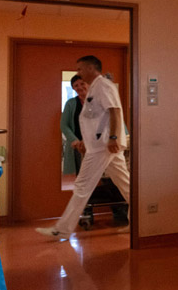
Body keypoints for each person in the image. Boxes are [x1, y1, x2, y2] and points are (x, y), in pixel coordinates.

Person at [37, 55, 131, 239]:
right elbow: (96, 120)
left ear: (90, 68)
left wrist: (113, 137)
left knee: (82, 186)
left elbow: (115, 111)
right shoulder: (94, 88)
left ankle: (62, 229)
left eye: (80, 69)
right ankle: (141, 220)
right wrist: (84, 142)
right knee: (125, 183)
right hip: (100, 145)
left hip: (103, 146)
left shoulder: (103, 85)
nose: (78, 72)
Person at [62, 74, 128, 227]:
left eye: (82, 84)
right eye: (76, 86)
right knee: (85, 182)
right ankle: (86, 213)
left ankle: (120, 211)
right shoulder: (72, 104)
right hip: (83, 148)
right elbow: (64, 125)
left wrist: (121, 138)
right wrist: (75, 141)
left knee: (113, 180)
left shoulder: (99, 99)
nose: (80, 87)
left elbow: (115, 118)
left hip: (103, 147)